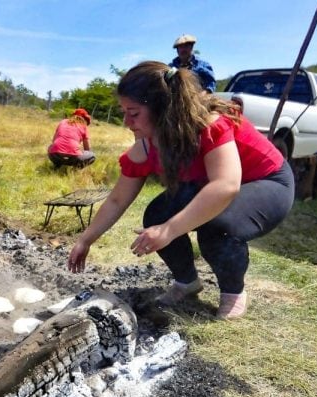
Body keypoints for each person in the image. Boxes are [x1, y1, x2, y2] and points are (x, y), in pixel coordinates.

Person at [66, 61, 295, 319]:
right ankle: (187, 283)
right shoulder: (147, 143)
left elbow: (226, 185)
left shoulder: (209, 125)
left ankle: (233, 292)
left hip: (267, 181)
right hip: (211, 185)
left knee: (217, 226)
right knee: (157, 214)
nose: (126, 122)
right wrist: (86, 240)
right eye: (123, 112)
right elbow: (118, 199)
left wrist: (169, 230)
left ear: (162, 108)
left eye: (134, 112)